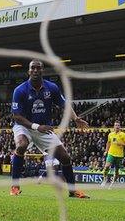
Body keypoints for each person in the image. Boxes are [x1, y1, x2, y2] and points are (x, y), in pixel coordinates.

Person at [10, 60, 90, 198]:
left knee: (65, 157)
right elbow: (16, 116)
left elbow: (65, 104)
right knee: (21, 145)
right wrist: (36, 126)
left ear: (42, 71)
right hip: (24, 126)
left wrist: (76, 118)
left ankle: (72, 190)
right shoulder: (20, 90)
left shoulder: (51, 87)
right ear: (28, 72)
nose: (35, 70)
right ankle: (15, 187)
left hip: (44, 129)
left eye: (38, 68)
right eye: (32, 68)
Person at [101, 121, 125, 187]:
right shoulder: (110, 134)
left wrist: (121, 144)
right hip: (111, 153)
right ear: (114, 127)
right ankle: (104, 179)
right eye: (116, 125)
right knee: (107, 166)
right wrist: (106, 151)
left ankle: (112, 183)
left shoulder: (123, 135)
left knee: (116, 171)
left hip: (119, 155)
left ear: (120, 127)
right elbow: (108, 143)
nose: (117, 126)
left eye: (118, 125)